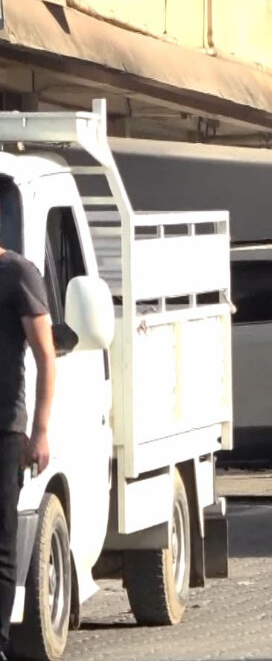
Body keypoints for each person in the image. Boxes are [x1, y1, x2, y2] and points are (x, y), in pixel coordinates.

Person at [0, 243, 54, 658]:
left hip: (3, 431)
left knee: (0, 544)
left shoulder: (18, 274)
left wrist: (39, 431)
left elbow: (45, 357)